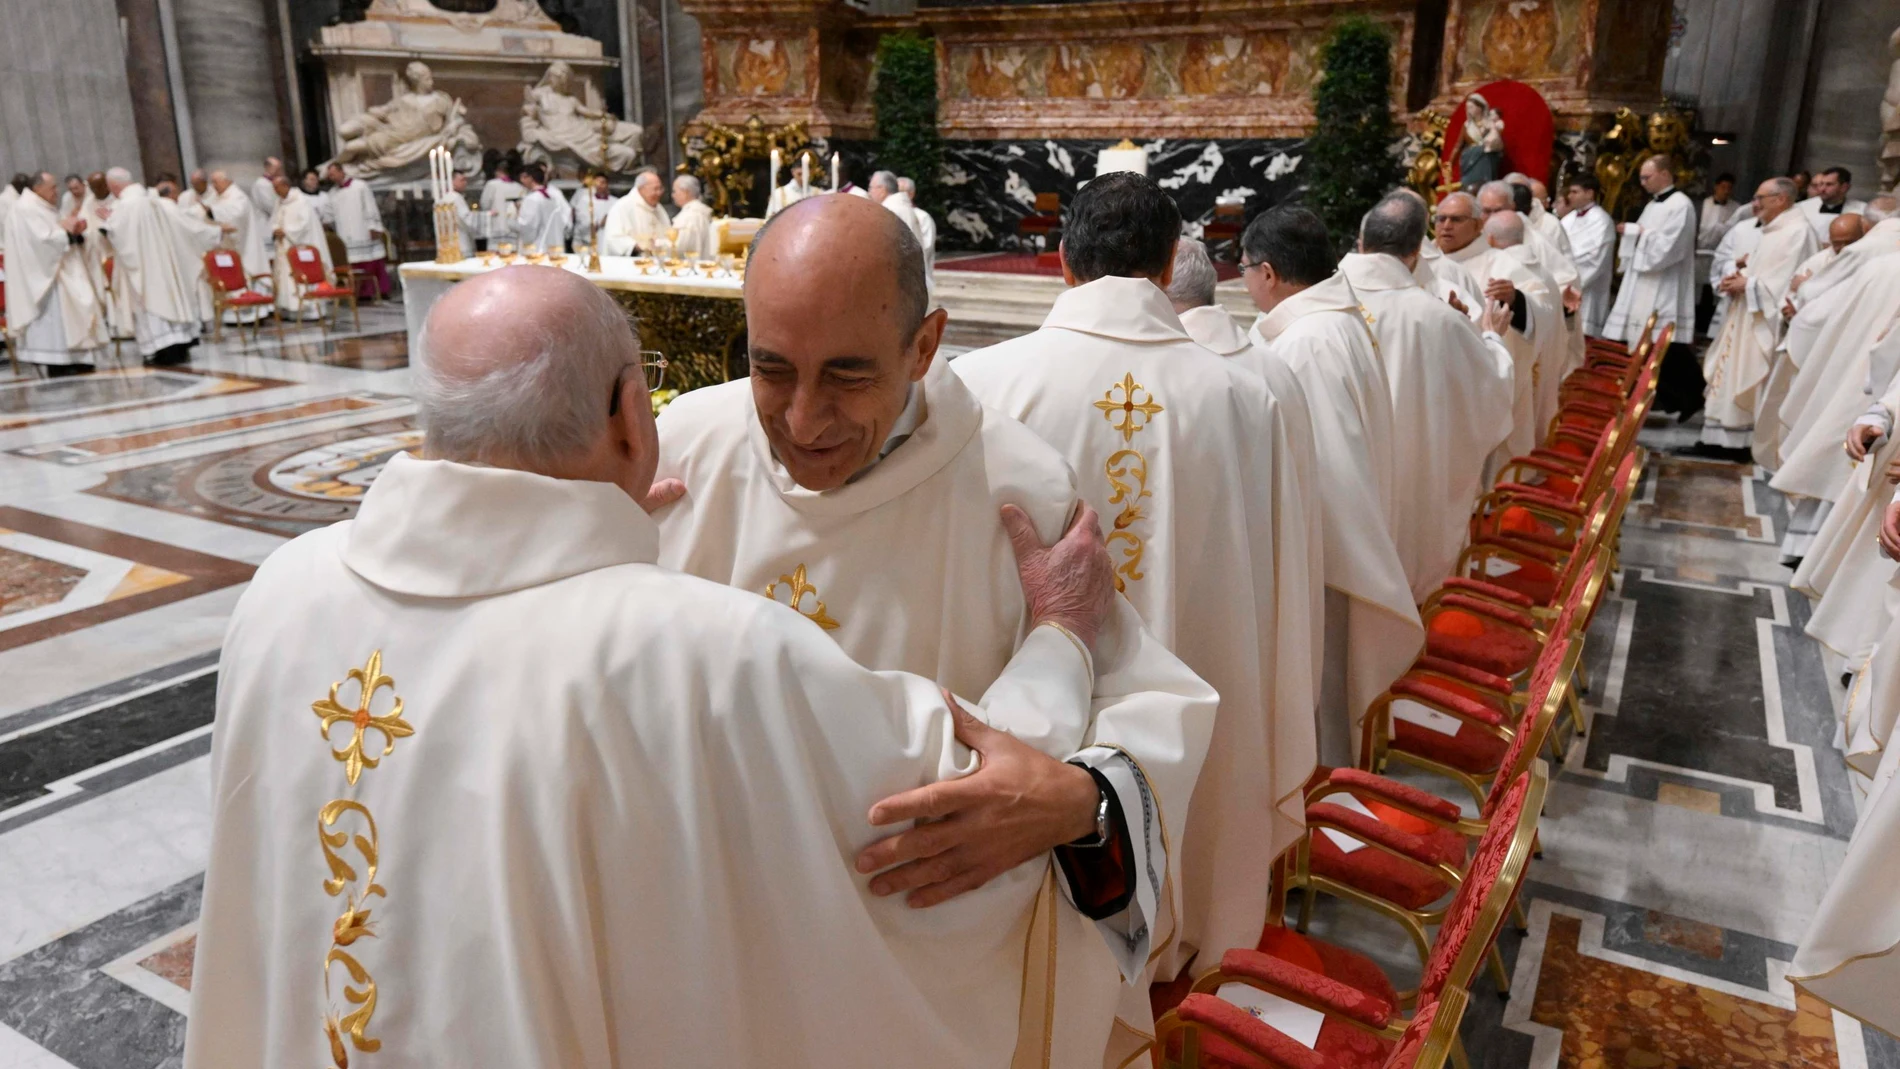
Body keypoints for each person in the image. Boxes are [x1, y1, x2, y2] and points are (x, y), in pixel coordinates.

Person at [181, 263, 1132, 1069]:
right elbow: (971, 798)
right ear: (634, 415)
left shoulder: (280, 590)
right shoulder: (706, 650)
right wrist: (1059, 638)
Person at [652, 193, 1216, 1064]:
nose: (804, 420)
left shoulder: (1015, 489)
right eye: (772, 369)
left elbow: (1149, 701)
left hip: (925, 996)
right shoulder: (684, 450)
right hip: (709, 953)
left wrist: (1078, 802)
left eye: (847, 375)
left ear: (924, 344)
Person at [955, 173, 1323, 994]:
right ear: (1169, 268)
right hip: (1206, 712)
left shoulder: (981, 387)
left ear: (1060, 262)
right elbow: (1280, 588)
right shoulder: (1244, 395)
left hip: (1033, 734)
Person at [1235, 204, 1423, 768]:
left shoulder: (1306, 345)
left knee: (1321, 704)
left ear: (1268, 273)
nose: (1243, 282)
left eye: (1244, 269)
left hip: (1324, 565)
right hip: (1331, 552)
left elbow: (1320, 472)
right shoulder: (1334, 322)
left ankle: (1325, 813)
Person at [1342, 192, 1517, 599]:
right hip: (1409, 488)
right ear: (1418, 248)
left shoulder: (1316, 306)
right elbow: (1490, 390)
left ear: (1362, 241)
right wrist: (1488, 336)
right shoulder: (1438, 317)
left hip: (1339, 493)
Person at [1694, 177, 1816, 462]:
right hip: (1745, 315)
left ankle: (1739, 442)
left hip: (1763, 321)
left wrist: (1747, 285)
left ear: (1780, 199)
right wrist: (1740, 275)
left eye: (1761, 197)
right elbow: (1764, 272)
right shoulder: (1774, 230)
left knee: (1748, 374)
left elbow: (1787, 282)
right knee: (1730, 375)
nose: (1755, 203)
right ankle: (1716, 439)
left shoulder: (1797, 232)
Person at [98, 167, 223, 366]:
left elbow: (120, 236)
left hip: (147, 271)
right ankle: (181, 345)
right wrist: (213, 234)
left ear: (113, 186)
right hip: (167, 266)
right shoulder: (153, 199)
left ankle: (164, 350)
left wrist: (108, 223)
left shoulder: (126, 206)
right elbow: (184, 224)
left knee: (153, 306)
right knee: (172, 301)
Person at [1605, 155, 1700, 414]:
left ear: (1665, 175)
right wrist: (1635, 231)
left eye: (1647, 177)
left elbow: (1670, 247)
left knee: (1666, 343)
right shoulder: (1653, 204)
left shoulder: (1681, 206)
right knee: (1652, 343)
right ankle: (1661, 395)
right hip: (1645, 282)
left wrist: (1637, 233)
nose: (1642, 182)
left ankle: (1688, 397)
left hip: (1665, 284)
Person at [3, 171, 109, 377]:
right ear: (37, 188)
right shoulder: (25, 208)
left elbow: (54, 232)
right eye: (52, 187)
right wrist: (68, 234)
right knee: (56, 320)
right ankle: (59, 362)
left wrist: (75, 231)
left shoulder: (41, 207)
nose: (56, 191)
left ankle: (78, 358)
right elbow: (42, 242)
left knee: (72, 313)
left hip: (59, 269)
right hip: (46, 277)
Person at [268, 173, 334, 321]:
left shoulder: (301, 201)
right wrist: (275, 229)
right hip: (283, 246)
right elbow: (274, 219)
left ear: (285, 186)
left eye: (277, 188)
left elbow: (304, 226)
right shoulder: (280, 201)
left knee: (301, 274)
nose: (275, 191)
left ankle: (310, 310)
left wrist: (285, 231)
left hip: (299, 246)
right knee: (285, 277)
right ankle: (289, 310)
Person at [321, 161, 389, 297]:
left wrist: (373, 226)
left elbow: (370, 206)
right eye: (330, 176)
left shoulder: (360, 186)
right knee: (353, 263)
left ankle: (379, 290)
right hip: (345, 232)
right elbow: (328, 214)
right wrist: (324, 222)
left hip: (363, 230)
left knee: (371, 261)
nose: (332, 178)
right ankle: (360, 292)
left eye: (333, 174)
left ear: (341, 171)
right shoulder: (332, 193)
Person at [1563, 173, 1617, 335]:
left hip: (1587, 287)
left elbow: (1594, 257)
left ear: (1589, 193)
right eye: (1570, 192)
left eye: (1575, 192)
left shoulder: (1601, 220)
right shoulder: (1568, 218)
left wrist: (1567, 271)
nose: (1570, 196)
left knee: (1582, 334)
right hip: (1565, 281)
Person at [600, 167, 670, 255]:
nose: (659, 193)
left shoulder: (659, 208)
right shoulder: (622, 207)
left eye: (661, 188)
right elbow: (613, 239)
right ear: (641, 189)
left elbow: (668, 234)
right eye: (655, 189)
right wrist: (638, 246)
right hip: (632, 263)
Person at [1797, 166, 1868, 241]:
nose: (1822, 189)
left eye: (1829, 184)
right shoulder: (1803, 207)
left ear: (1844, 187)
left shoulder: (1861, 211)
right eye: (1822, 184)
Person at [512, 162, 570, 254]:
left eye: (524, 177)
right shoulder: (552, 196)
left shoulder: (532, 199)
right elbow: (564, 219)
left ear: (531, 178)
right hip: (553, 245)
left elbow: (528, 226)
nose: (521, 180)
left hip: (537, 248)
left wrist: (517, 213)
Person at [869, 170, 927, 249]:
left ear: (882, 190)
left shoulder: (889, 211)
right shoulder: (902, 207)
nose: (869, 193)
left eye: (871, 188)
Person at [566, 171, 617, 250]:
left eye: (603, 182)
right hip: (587, 243)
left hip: (607, 243)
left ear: (607, 185)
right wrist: (599, 223)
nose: (599, 185)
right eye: (597, 182)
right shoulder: (585, 200)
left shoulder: (615, 202)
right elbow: (581, 221)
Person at [670, 174, 715, 259]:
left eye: (675, 191)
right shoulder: (698, 211)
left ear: (685, 192)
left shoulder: (690, 216)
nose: (673, 195)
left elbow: (681, 248)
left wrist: (657, 245)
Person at [478, 157, 524, 231]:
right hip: (515, 228)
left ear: (497, 171)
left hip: (497, 226)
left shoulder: (492, 185)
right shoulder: (519, 187)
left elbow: (485, 205)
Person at [437, 171, 477, 254]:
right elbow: (466, 220)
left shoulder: (443, 198)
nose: (465, 183)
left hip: (447, 245)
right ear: (452, 181)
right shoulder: (455, 197)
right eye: (462, 180)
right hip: (461, 244)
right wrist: (487, 216)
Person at [249, 156, 283, 221]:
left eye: (280, 168)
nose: (279, 171)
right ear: (268, 167)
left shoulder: (275, 182)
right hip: (266, 220)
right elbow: (269, 206)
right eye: (277, 168)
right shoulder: (262, 184)